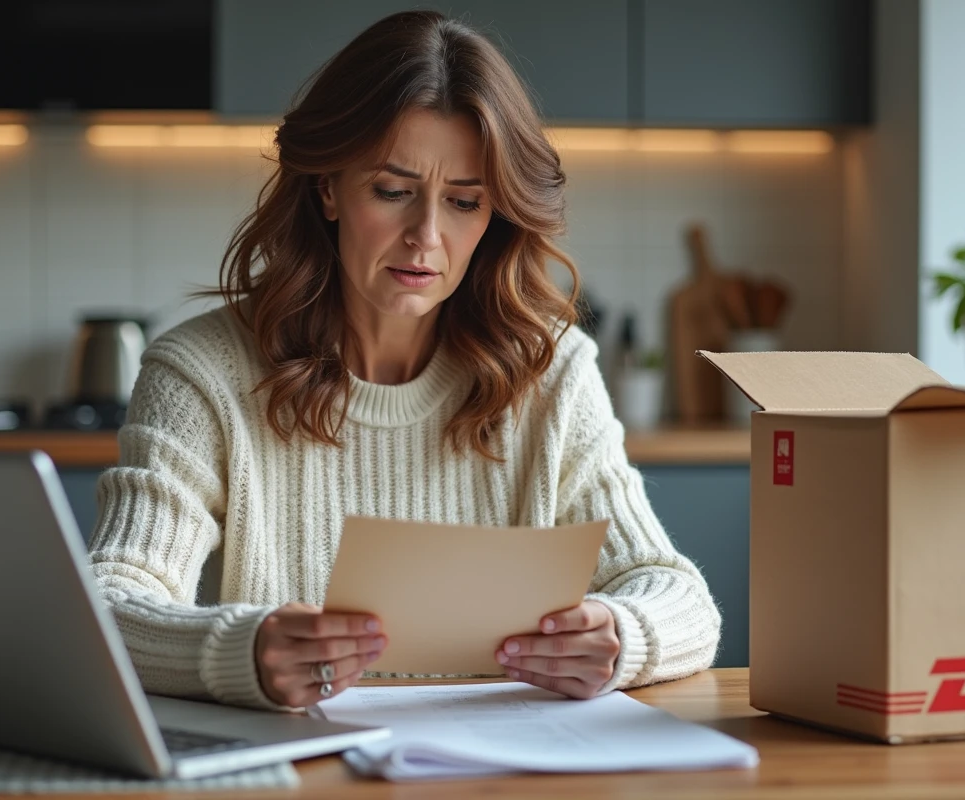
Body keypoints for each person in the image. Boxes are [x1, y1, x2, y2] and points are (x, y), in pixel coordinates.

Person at [88, 9, 721, 711]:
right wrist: (242, 648)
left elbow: (679, 596)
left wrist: (621, 634)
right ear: (327, 187)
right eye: (392, 192)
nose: (427, 236)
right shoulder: (200, 373)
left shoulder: (553, 372)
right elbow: (110, 603)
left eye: (464, 202)